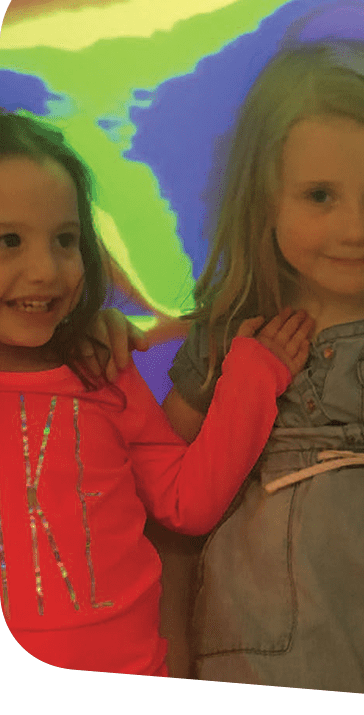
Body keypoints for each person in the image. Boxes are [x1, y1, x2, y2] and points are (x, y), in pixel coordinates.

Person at [119, 40, 364, 704]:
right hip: (261, 651)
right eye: (320, 196)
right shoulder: (225, 340)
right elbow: (162, 498)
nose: (354, 227)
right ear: (265, 198)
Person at [0, 112, 312, 676]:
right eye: (8, 240)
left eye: (66, 240)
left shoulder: (104, 370)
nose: (45, 269)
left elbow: (185, 503)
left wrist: (252, 376)